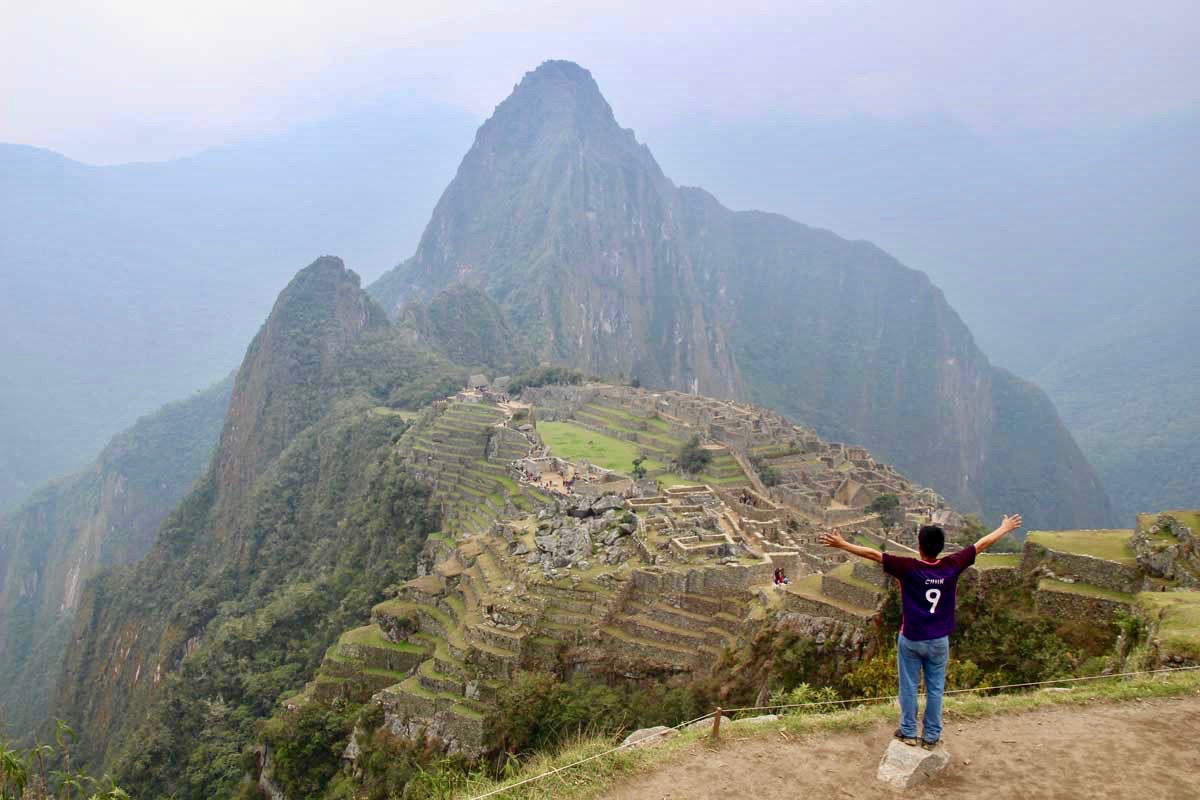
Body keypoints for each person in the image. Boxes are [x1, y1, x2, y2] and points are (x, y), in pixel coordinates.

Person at [818, 514, 1023, 749]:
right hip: (938, 640)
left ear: (919, 546)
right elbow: (982, 544)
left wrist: (842, 544)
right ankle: (931, 736)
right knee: (935, 689)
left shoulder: (908, 568)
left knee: (908, 686)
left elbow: (874, 555)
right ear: (941, 548)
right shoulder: (952, 565)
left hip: (912, 638)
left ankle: (908, 732)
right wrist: (1004, 528)